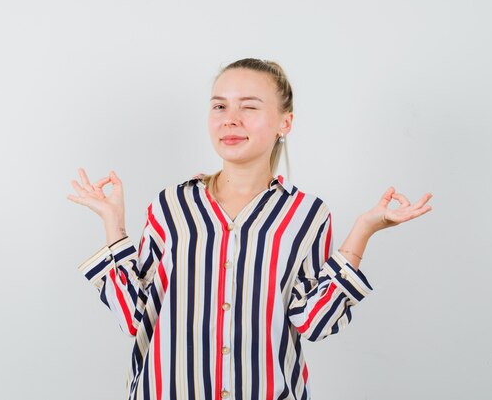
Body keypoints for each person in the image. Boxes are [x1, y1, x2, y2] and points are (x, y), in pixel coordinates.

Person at [67, 58, 433, 400]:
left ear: (284, 122)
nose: (230, 119)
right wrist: (113, 225)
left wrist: (363, 232)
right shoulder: (171, 205)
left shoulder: (306, 214)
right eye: (220, 106)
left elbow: (315, 323)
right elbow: (134, 315)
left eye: (249, 106)